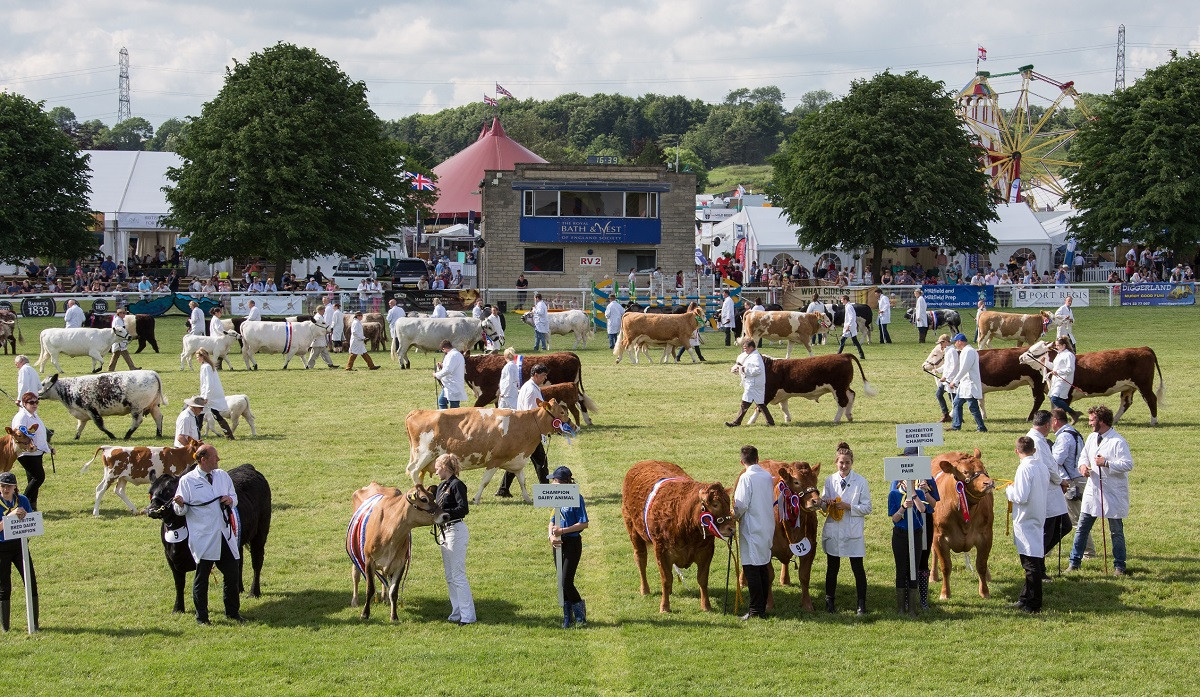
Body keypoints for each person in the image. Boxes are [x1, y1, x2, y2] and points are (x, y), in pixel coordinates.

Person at [172, 444, 247, 624]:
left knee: (231, 572)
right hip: (204, 536)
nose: (218, 459)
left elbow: (234, 498)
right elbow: (179, 510)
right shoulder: (187, 481)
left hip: (224, 533)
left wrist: (230, 500)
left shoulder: (222, 475)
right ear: (203, 459)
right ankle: (202, 617)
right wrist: (181, 504)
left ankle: (232, 612)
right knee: (202, 577)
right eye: (215, 456)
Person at [1068, 405, 1134, 575]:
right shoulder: (1091, 438)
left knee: (1116, 531)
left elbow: (1128, 464)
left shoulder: (1118, 441)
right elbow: (1083, 456)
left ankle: (1119, 565)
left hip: (1112, 492)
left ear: (1102, 421)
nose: (1089, 423)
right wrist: (1082, 467)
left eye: (1092, 420)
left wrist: (1106, 463)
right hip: (1093, 490)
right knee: (1082, 527)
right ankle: (1074, 562)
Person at [821, 441, 871, 615]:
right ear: (836, 462)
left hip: (852, 530)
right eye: (841, 462)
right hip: (834, 529)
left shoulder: (861, 482)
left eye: (847, 463)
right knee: (832, 568)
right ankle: (829, 602)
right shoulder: (829, 480)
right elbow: (823, 505)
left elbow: (867, 507)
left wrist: (849, 506)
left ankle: (861, 604)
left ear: (852, 463)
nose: (844, 466)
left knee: (857, 568)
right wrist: (826, 504)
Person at [733, 445, 774, 620]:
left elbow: (741, 505)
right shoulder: (767, 476)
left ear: (742, 461)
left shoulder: (746, 478)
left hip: (751, 528)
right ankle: (761, 606)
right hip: (767, 526)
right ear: (757, 458)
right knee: (763, 566)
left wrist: (733, 514)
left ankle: (756, 610)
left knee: (752, 569)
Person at [433, 453, 475, 625]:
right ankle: (456, 612)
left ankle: (468, 617)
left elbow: (463, 508)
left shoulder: (458, 485)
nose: (435, 471)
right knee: (450, 576)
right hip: (445, 532)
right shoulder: (442, 485)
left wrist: (445, 515)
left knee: (458, 575)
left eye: (437, 467)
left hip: (455, 530)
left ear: (444, 467)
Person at [1007, 436, 1047, 613]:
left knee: (1030, 563)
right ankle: (1025, 597)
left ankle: (1034, 603)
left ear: (1017, 451)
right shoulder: (1041, 466)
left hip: (1026, 518)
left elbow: (1020, 497)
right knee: (1033, 559)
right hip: (1037, 515)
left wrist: (1009, 490)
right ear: (1034, 450)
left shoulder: (1024, 468)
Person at [547, 466, 589, 628]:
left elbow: (584, 523)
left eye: (554, 480)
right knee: (561, 581)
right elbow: (551, 521)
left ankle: (580, 612)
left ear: (561, 482)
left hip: (572, 543)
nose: (551, 483)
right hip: (558, 543)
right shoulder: (555, 498)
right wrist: (551, 535)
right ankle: (567, 616)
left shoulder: (576, 499)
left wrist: (562, 530)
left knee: (566, 581)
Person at [1050, 407, 1093, 559]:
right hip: (1078, 479)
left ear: (1055, 421)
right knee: (1061, 518)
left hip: (1071, 483)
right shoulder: (1074, 433)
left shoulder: (1063, 437)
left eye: (1050, 421)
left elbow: (1057, 461)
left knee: (1075, 519)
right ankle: (1045, 550)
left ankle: (1088, 552)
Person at [0, 471, 37, 631]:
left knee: (31, 583)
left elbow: (32, 522)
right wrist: (9, 517)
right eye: (2, 486)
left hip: (20, 546)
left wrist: (25, 516)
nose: (6, 489)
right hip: (2, 548)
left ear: (15, 487)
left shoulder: (22, 500)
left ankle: (35, 624)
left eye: (9, 486)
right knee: (4, 587)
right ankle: (5, 627)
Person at [888, 476, 930, 614]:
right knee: (901, 569)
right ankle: (901, 607)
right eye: (906, 480)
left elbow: (923, 509)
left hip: (916, 534)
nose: (909, 482)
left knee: (914, 568)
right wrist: (903, 507)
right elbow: (894, 518)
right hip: (900, 535)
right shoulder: (894, 494)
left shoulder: (919, 493)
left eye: (912, 480)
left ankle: (913, 607)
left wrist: (913, 495)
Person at [10, 392, 51, 511]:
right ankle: (22, 505)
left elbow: (39, 435)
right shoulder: (22, 416)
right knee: (39, 477)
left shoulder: (33, 415)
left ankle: (32, 507)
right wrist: (29, 445)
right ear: (24, 403)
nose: (35, 404)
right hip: (27, 453)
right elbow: (19, 433)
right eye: (31, 402)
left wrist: (49, 447)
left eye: (36, 402)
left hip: (37, 452)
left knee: (32, 479)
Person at [517, 364, 552, 484]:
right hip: (531, 431)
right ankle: (545, 488)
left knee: (517, 459)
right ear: (536, 375)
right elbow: (531, 412)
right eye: (543, 376)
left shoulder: (530, 386)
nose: (545, 378)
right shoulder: (531, 389)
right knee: (541, 460)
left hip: (526, 429)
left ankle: (503, 489)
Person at [726, 340, 772, 427]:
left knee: (745, 403)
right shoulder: (751, 356)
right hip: (753, 383)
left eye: (746, 348)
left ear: (751, 347)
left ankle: (736, 422)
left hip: (754, 384)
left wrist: (743, 369)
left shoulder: (756, 357)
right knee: (760, 404)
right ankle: (770, 422)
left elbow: (757, 370)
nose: (745, 350)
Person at [948, 334, 986, 432]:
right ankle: (956, 425)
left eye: (956, 342)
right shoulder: (966, 351)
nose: (955, 344)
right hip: (964, 385)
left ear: (960, 341)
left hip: (970, 384)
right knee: (956, 404)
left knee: (973, 407)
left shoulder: (969, 351)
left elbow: (965, 368)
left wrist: (954, 381)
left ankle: (981, 427)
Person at [195, 348, 235, 440]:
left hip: (210, 395)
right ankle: (229, 435)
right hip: (210, 394)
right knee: (210, 413)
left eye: (198, 357)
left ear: (202, 357)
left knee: (203, 413)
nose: (197, 359)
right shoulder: (207, 366)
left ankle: (196, 435)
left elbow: (209, 383)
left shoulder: (206, 367)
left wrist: (205, 397)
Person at [1043, 336, 1081, 422]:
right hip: (1057, 380)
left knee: (1055, 399)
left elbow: (1070, 369)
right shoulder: (1059, 354)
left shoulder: (1069, 355)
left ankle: (1073, 413)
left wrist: (1058, 372)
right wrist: (1045, 362)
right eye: (1056, 345)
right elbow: (1055, 367)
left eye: (1058, 345)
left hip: (1064, 380)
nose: (1056, 347)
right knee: (1056, 400)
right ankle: (1061, 418)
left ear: (1064, 345)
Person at [932, 334, 958, 423]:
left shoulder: (952, 351)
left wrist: (946, 377)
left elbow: (954, 366)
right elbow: (947, 365)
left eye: (941, 343)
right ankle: (946, 415)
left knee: (953, 399)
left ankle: (957, 417)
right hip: (945, 380)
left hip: (950, 380)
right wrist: (938, 370)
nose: (940, 345)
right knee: (939, 394)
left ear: (945, 342)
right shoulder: (948, 351)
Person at [434, 339, 465, 406]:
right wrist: (442, 365)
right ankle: (444, 416)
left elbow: (448, 370)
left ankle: (453, 417)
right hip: (449, 384)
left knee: (454, 405)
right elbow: (452, 367)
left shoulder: (452, 355)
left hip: (453, 384)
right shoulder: (456, 354)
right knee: (442, 402)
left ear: (444, 348)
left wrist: (437, 374)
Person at [836, 295, 865, 359]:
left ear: (845, 300)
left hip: (850, 326)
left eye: (842, 300)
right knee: (855, 341)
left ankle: (838, 354)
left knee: (843, 340)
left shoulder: (849, 307)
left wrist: (848, 326)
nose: (841, 301)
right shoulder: (848, 306)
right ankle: (861, 355)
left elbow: (852, 317)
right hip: (851, 326)